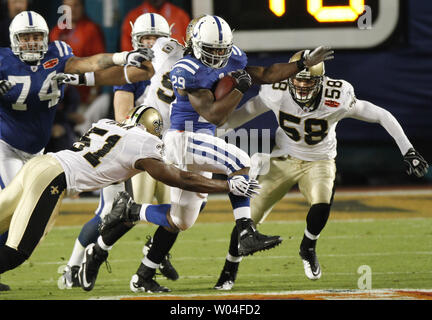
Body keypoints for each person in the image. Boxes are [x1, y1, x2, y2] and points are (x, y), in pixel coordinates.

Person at [113, 14, 333, 293]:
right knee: (241, 160)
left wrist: (301, 64)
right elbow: (214, 115)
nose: (218, 55)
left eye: (222, 49)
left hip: (201, 141)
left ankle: (138, 247)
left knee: (181, 220)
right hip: (183, 138)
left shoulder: (233, 58)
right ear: (195, 44)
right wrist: (240, 88)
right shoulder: (186, 68)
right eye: (212, 49)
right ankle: (245, 231)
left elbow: (264, 74)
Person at [212, 50, 430, 290]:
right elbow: (239, 117)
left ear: (321, 82)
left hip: (320, 161)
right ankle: (229, 269)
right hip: (281, 160)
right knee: (247, 219)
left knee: (322, 203)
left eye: (309, 82)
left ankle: (308, 246)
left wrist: (407, 150)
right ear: (288, 79)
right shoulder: (275, 92)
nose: (302, 86)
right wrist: (204, 135)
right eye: (298, 80)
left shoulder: (337, 96)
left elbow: (381, 115)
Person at [0, 106, 260, 281]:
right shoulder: (143, 142)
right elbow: (180, 178)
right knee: (16, 253)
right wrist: (227, 186)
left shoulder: (106, 123)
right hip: (53, 178)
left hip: (41, 165)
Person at [0, 10, 154, 290]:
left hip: (38, 150)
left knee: (16, 212)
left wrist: (121, 57)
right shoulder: (2, 60)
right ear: (14, 39)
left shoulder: (57, 55)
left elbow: (91, 63)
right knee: (14, 209)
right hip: (6, 145)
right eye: (26, 37)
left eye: (37, 37)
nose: (33, 42)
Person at [58, 12, 181, 289]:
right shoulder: (133, 71)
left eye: (157, 37)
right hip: (133, 148)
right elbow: (124, 115)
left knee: (179, 209)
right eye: (145, 38)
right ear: (136, 40)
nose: (151, 43)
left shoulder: (176, 65)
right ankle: (74, 265)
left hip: (167, 149)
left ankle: (155, 255)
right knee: (111, 212)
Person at [50, 0, 106, 104]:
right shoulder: (56, 32)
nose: (72, 10)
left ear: (82, 7)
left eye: (76, 5)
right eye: (68, 6)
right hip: (60, 97)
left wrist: (94, 92)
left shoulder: (92, 29)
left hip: (86, 95)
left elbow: (100, 63)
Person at [120, 0, 190, 50]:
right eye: (147, 38)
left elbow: (188, 46)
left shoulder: (181, 16)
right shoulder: (133, 16)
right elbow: (127, 48)